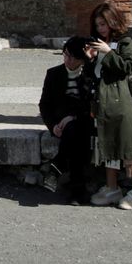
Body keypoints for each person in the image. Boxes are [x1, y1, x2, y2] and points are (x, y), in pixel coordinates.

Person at [85, 3, 132, 211]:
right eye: (98, 25)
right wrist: (90, 59)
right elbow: (92, 74)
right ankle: (111, 187)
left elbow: (128, 67)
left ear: (113, 21)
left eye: (103, 24)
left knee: (131, 145)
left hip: (121, 101)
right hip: (102, 102)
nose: (101, 28)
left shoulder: (125, 42)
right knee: (108, 144)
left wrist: (108, 53)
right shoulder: (98, 43)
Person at [39, 36, 96, 205]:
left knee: (75, 129)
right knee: (74, 133)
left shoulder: (90, 75)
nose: (68, 60)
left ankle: (57, 167)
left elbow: (91, 104)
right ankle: (78, 190)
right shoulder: (54, 74)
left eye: (73, 57)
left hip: (84, 119)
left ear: (81, 58)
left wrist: (73, 116)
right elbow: (45, 105)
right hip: (61, 122)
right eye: (65, 55)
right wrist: (53, 126)